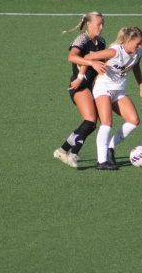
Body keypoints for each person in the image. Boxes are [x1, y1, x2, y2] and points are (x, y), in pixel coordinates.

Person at [84, 27, 142, 170]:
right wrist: (94, 64)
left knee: (133, 120)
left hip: (119, 91)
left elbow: (136, 66)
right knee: (106, 123)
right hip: (103, 87)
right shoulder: (114, 51)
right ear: (128, 41)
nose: (140, 46)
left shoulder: (139, 52)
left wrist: (141, 87)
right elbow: (87, 57)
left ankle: (110, 147)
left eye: (141, 43)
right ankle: (101, 162)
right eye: (137, 43)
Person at [53, 12, 107, 169]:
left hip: (92, 86)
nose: (101, 27)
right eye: (98, 24)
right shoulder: (82, 39)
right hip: (79, 85)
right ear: (89, 24)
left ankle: (63, 150)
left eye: (103, 24)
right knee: (90, 120)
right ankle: (71, 154)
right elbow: (72, 57)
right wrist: (91, 64)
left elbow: (101, 61)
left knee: (91, 125)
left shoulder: (101, 41)